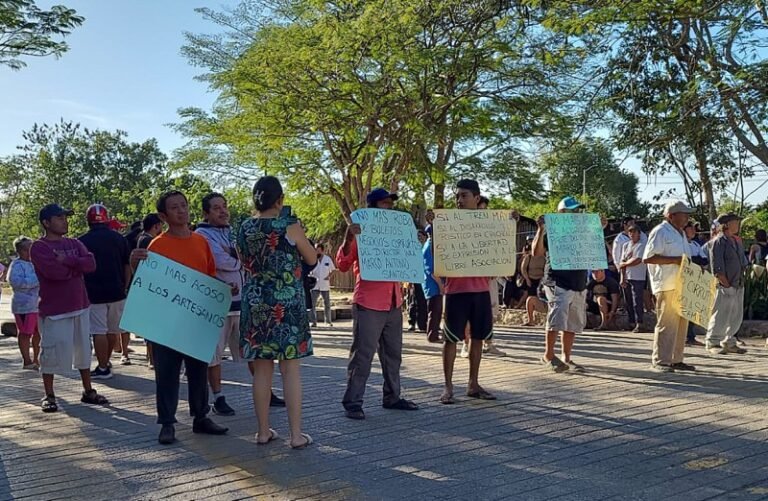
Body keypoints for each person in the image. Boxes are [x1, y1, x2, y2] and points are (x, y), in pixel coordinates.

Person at [130, 191, 228, 444]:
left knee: (198, 371)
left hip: (195, 320)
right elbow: (146, 281)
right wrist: (133, 264)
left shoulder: (201, 241)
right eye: (174, 208)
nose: (181, 211)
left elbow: (209, 277)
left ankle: (201, 417)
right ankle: (167, 422)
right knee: (167, 373)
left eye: (184, 205)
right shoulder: (157, 245)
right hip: (166, 322)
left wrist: (221, 294)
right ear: (163, 216)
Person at [238, 176, 315, 448]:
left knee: (262, 370)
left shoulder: (244, 226)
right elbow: (312, 258)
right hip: (288, 303)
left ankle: (262, 431)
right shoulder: (289, 225)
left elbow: (244, 259)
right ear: (280, 200)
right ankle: (296, 435)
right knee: (290, 370)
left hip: (256, 302)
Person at [337, 187, 419, 420]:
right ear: (373, 207)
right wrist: (348, 238)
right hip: (368, 303)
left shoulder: (397, 231)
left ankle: (392, 397)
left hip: (393, 302)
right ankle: (353, 402)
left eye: (391, 204)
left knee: (393, 355)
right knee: (363, 355)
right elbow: (342, 265)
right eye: (385, 203)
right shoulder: (360, 232)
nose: (389, 207)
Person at [31, 203, 109, 413]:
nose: (65, 220)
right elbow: (53, 273)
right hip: (54, 310)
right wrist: (76, 268)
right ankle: (49, 394)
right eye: (59, 217)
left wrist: (67, 260)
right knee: (51, 353)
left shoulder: (74, 243)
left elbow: (91, 264)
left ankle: (88, 390)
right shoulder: (39, 247)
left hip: (80, 305)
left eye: (65, 217)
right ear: (46, 223)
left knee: (84, 350)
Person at [440, 179, 497, 404]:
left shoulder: (490, 223)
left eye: (464, 195)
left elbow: (498, 250)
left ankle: (473, 384)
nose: (459, 200)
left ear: (476, 198)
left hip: (481, 290)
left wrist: (510, 222)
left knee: (478, 338)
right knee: (450, 339)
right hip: (455, 290)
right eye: (457, 196)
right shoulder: (448, 223)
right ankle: (447, 387)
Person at [195, 192, 242, 416]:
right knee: (213, 355)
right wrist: (238, 259)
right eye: (216, 208)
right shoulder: (202, 235)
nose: (223, 211)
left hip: (241, 304)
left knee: (253, 351)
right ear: (206, 213)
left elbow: (247, 257)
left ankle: (266, 391)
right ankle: (218, 396)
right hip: (217, 304)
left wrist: (236, 256)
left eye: (224, 206)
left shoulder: (232, 233)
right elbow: (221, 261)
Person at [532, 196, 589, 373]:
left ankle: (566, 357)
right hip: (558, 281)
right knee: (557, 317)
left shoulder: (584, 232)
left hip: (578, 282)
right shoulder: (552, 231)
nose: (577, 213)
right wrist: (541, 229)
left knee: (572, 321)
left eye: (578, 210)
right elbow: (536, 252)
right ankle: (548, 355)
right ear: (562, 213)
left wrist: (599, 228)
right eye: (573, 210)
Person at [642, 200, 696, 373]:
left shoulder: (680, 233)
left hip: (682, 284)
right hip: (666, 284)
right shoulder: (660, 231)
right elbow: (648, 258)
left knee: (681, 323)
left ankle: (676, 359)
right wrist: (674, 260)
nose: (687, 217)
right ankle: (660, 361)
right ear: (671, 215)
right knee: (667, 323)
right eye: (684, 213)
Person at [79, 204, 132, 376]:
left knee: (98, 331)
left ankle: (103, 366)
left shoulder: (82, 241)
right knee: (112, 330)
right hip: (117, 291)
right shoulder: (118, 239)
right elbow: (127, 265)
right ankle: (105, 362)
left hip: (93, 293)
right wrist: (125, 285)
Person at [706, 213, 749, 356]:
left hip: (737, 283)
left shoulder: (736, 241)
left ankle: (729, 341)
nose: (737, 224)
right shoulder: (718, 241)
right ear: (726, 224)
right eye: (735, 221)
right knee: (720, 314)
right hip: (726, 284)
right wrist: (725, 284)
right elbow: (717, 267)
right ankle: (713, 341)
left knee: (735, 316)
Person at [8, 236, 41, 369]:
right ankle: (27, 360)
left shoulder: (36, 263)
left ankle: (36, 359)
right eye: (30, 248)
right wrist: (36, 280)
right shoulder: (16, 265)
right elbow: (17, 283)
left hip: (39, 305)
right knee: (25, 333)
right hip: (24, 306)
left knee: (38, 333)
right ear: (22, 251)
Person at [618, 225, 647, 333]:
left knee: (637, 301)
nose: (632, 234)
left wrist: (624, 264)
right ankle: (631, 322)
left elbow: (637, 260)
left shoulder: (642, 245)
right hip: (627, 276)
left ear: (639, 233)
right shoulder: (626, 245)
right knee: (628, 301)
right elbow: (622, 262)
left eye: (634, 232)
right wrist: (622, 277)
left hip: (638, 276)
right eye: (630, 232)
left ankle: (640, 322)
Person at [422, 228, 444, 343]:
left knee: (437, 311)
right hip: (433, 286)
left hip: (434, 285)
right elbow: (431, 270)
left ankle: (434, 333)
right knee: (434, 311)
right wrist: (441, 286)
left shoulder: (433, 246)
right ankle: (432, 336)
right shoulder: (428, 248)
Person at [309, 243, 336, 328]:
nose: (317, 251)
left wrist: (329, 277)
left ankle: (328, 321)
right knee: (312, 304)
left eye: (318, 250)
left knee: (327, 304)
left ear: (322, 250)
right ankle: (314, 322)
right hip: (315, 285)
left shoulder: (327, 259)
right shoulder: (312, 259)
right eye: (316, 250)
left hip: (325, 284)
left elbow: (333, 270)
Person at [407, 230, 429, 332]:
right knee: (413, 301)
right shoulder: (412, 249)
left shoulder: (428, 248)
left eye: (420, 236)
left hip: (426, 279)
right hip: (415, 277)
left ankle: (422, 324)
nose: (419, 238)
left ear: (425, 237)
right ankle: (411, 323)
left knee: (423, 302)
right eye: (417, 236)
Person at [519, 237, 545, 308]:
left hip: (541, 280)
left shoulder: (544, 258)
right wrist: (527, 279)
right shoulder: (528, 257)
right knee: (527, 294)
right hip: (530, 278)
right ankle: (519, 306)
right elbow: (523, 268)